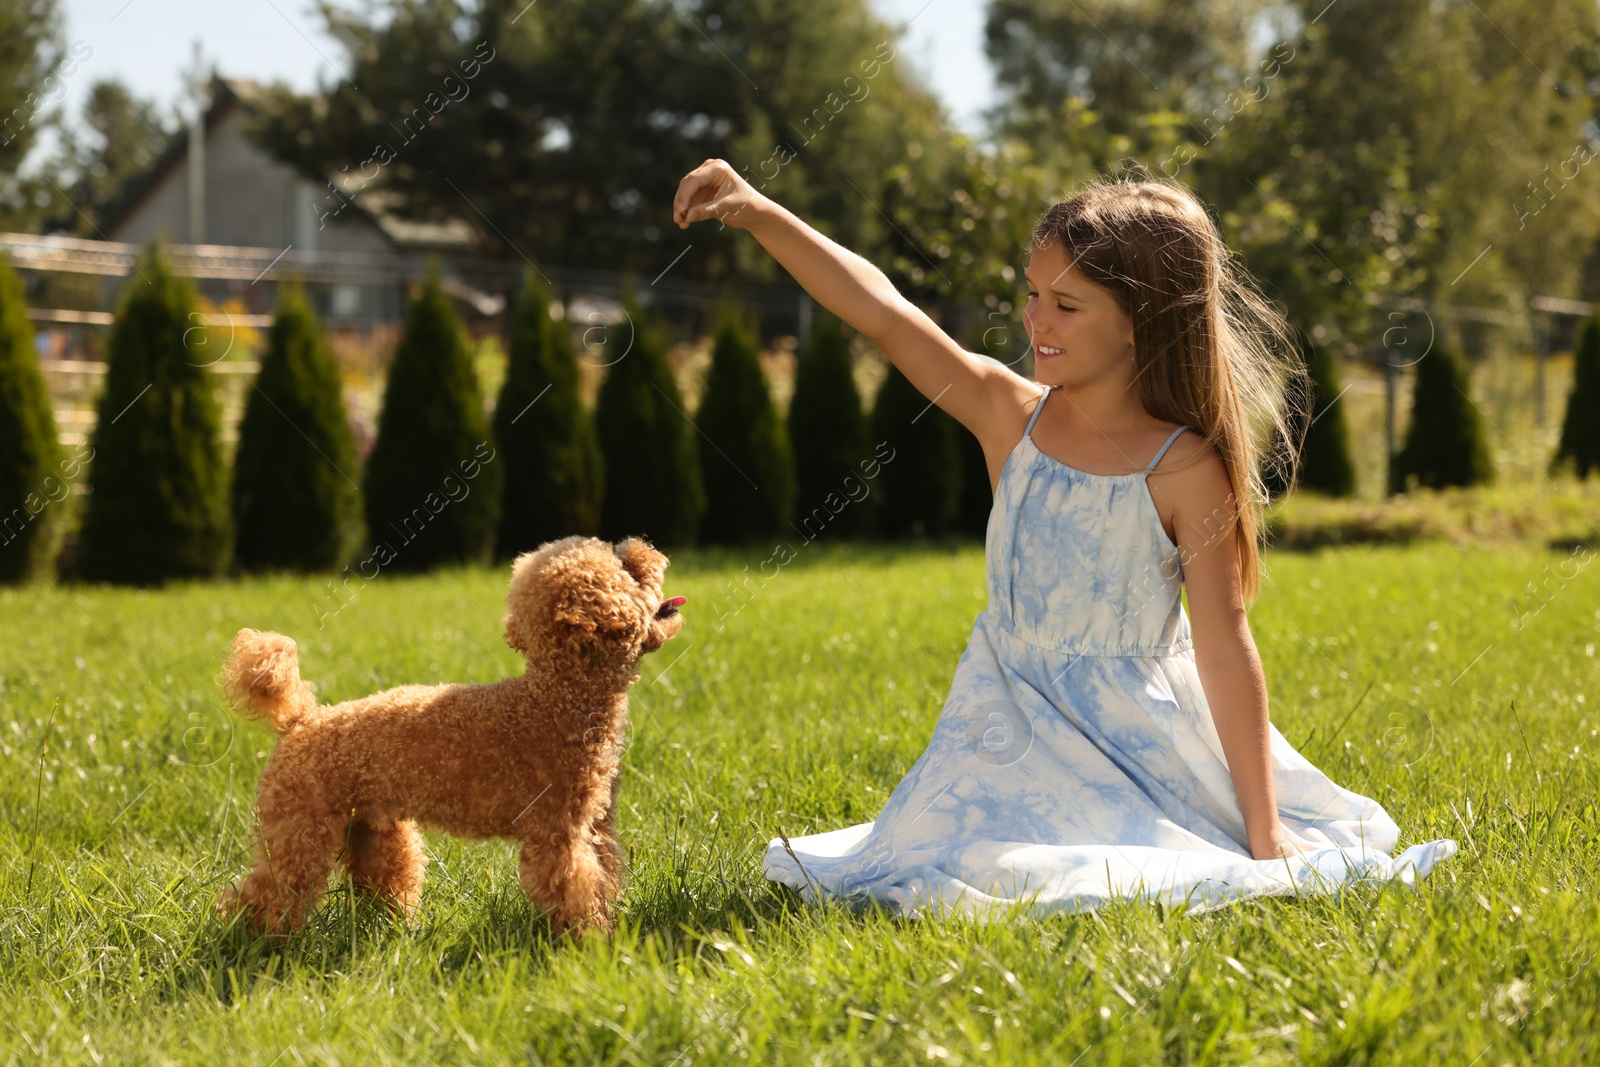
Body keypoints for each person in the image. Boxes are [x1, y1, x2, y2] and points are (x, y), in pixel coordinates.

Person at [671, 160, 1456, 917]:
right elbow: (884, 311)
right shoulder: (1006, 414)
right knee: (947, 863)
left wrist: (1264, 830)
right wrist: (756, 209)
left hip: (1133, 741)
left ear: (1141, 321)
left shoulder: (1183, 469)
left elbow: (1223, 646)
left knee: (1100, 872)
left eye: (1067, 304)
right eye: (1033, 294)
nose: (1035, 320)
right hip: (1001, 720)